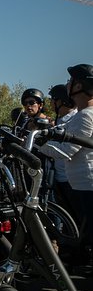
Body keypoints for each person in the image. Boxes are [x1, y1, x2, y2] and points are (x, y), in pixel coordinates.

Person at [39, 65, 93, 270]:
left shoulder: (86, 116)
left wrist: (37, 144)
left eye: (71, 81)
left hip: (86, 185)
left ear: (79, 85)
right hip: (81, 184)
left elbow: (66, 151)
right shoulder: (83, 114)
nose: (68, 85)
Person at [38, 84, 78, 217]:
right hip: (59, 177)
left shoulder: (74, 119)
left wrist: (38, 143)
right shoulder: (59, 120)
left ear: (61, 101)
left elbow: (65, 150)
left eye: (52, 99)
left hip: (71, 179)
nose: (50, 103)